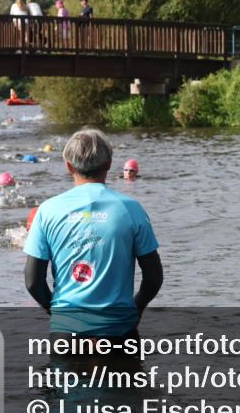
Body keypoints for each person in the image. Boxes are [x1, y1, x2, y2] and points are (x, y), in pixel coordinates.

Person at [23, 128, 162, 342]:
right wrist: (137, 307)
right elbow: (153, 278)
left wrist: (58, 314)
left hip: (66, 334)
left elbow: (33, 282)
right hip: (119, 331)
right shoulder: (132, 209)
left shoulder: (46, 211)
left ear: (68, 166)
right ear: (108, 164)